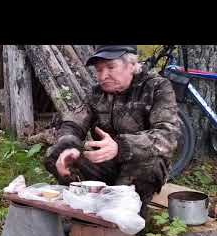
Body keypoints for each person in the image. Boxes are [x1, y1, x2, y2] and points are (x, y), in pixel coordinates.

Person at [44, 45, 182, 218]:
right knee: (56, 155)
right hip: (104, 165)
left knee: (148, 165)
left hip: (139, 167)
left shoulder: (157, 87)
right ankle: (82, 212)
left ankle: (130, 225)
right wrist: (67, 147)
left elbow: (168, 135)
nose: (103, 76)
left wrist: (120, 147)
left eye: (110, 67)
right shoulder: (96, 93)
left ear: (131, 65)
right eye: (99, 69)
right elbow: (73, 123)